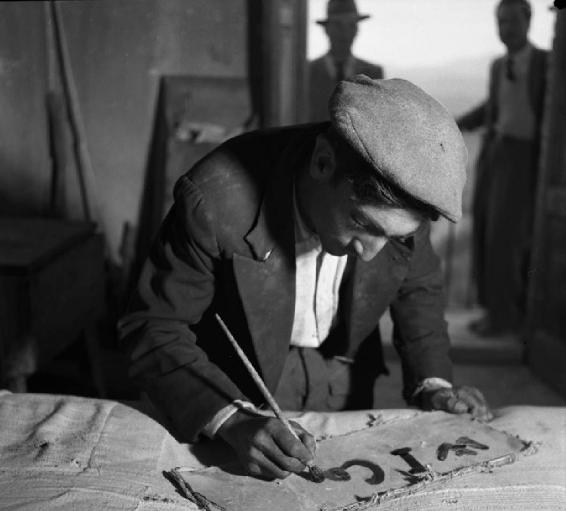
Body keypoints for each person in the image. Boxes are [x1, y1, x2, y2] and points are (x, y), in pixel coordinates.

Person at [119, 76, 493, 481]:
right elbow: (154, 325)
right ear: (322, 163)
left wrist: (433, 385)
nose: (370, 253)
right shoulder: (213, 200)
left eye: (396, 236)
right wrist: (232, 420)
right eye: (360, 223)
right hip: (245, 385)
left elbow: (418, 288)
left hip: (346, 376)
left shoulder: (405, 194)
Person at [457, 0, 547, 337]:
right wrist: (456, 123)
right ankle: (493, 310)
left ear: (528, 21)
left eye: (510, 21)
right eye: (500, 22)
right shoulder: (497, 66)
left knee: (506, 238)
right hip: (495, 156)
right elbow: (490, 109)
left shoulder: (545, 63)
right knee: (485, 230)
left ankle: (507, 316)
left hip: (525, 159)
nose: (504, 29)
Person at [308, 0, 384, 122]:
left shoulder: (373, 75)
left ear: (356, 30)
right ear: (327, 29)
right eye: (338, 25)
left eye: (351, 25)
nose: (345, 33)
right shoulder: (306, 73)